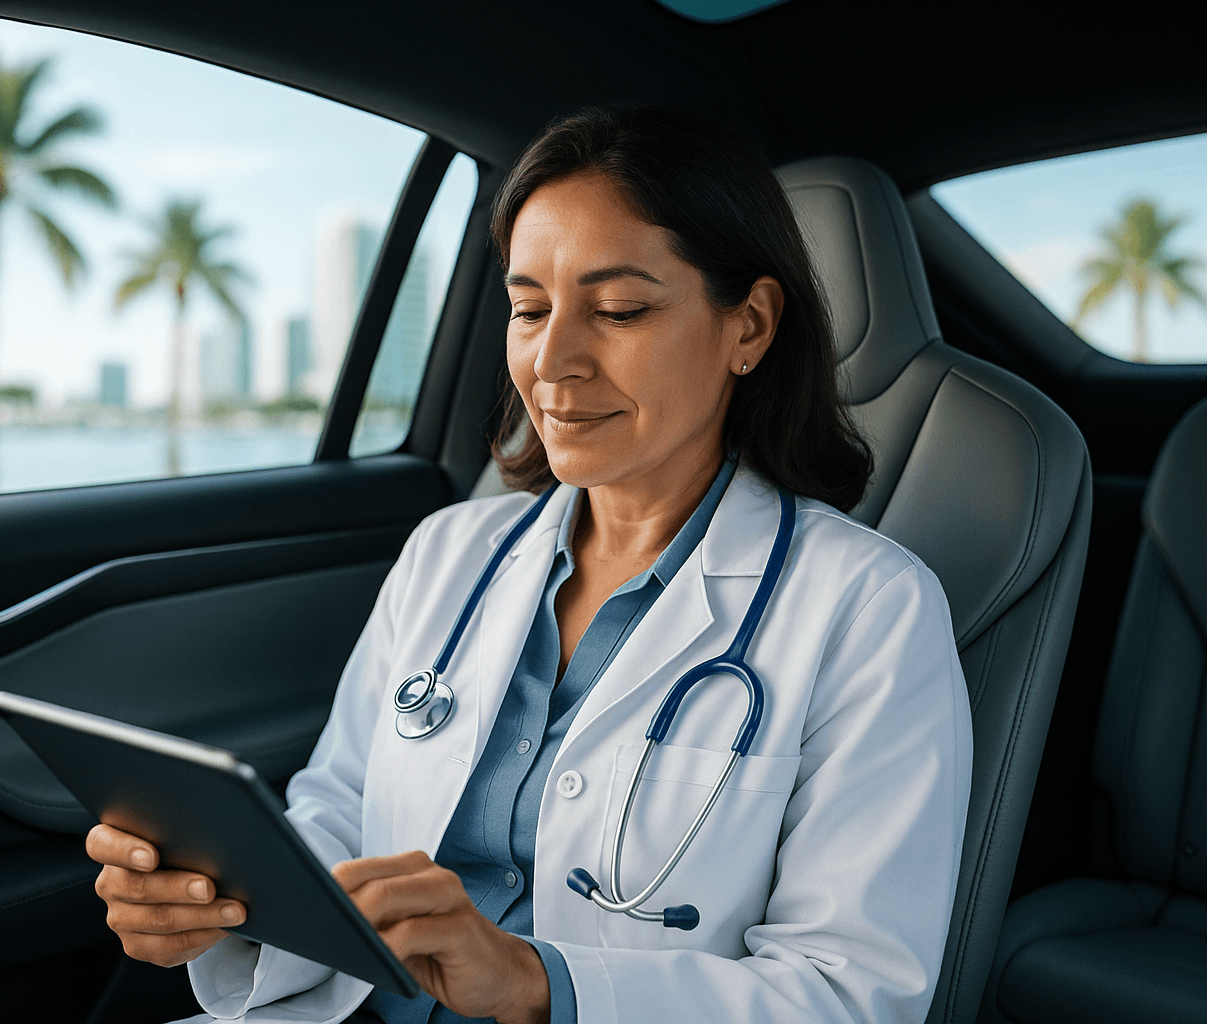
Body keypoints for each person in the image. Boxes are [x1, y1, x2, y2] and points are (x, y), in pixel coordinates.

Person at [86, 106, 972, 1024]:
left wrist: (537, 982)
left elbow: (851, 993)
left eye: (618, 310)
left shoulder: (870, 610)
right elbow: (340, 810)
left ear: (748, 326)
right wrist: (226, 909)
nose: (551, 362)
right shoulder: (450, 552)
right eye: (529, 309)